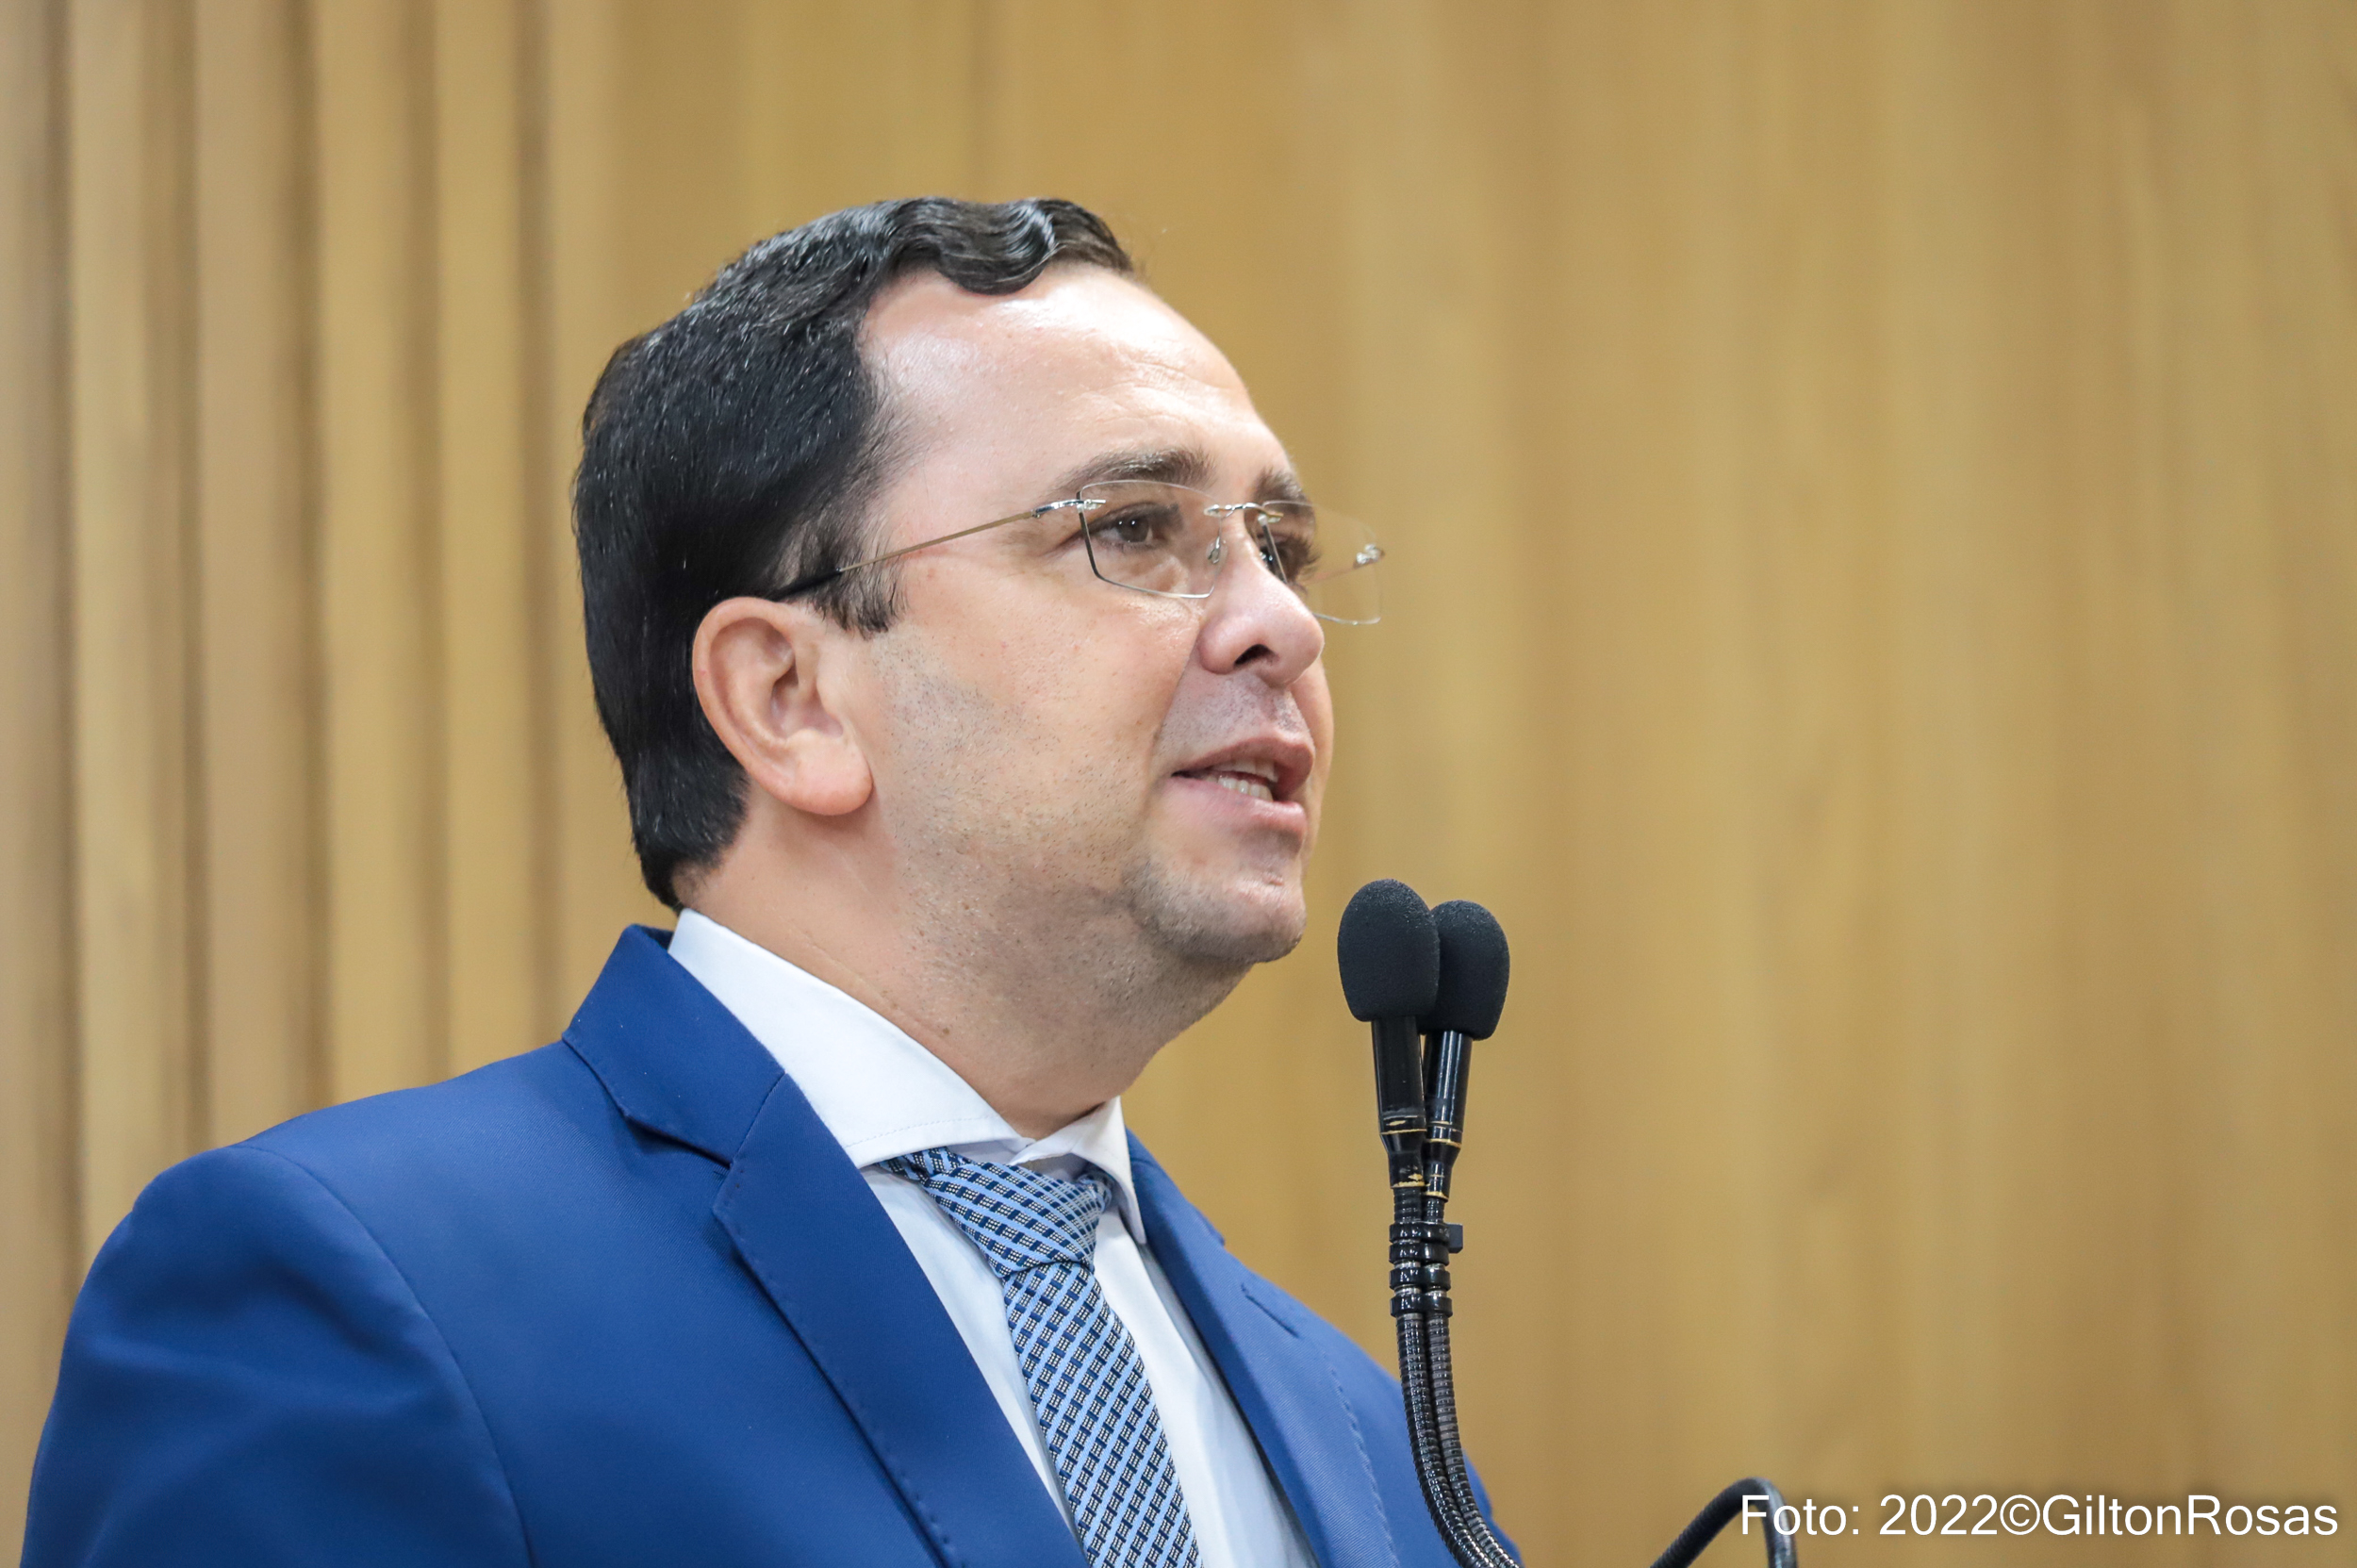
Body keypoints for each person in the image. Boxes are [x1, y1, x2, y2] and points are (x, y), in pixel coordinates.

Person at [22, 197, 1502, 1568]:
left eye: (1283, 547)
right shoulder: (350, 1292)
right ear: (788, 697)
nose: (1280, 626)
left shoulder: (1374, 1433)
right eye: (1129, 529)